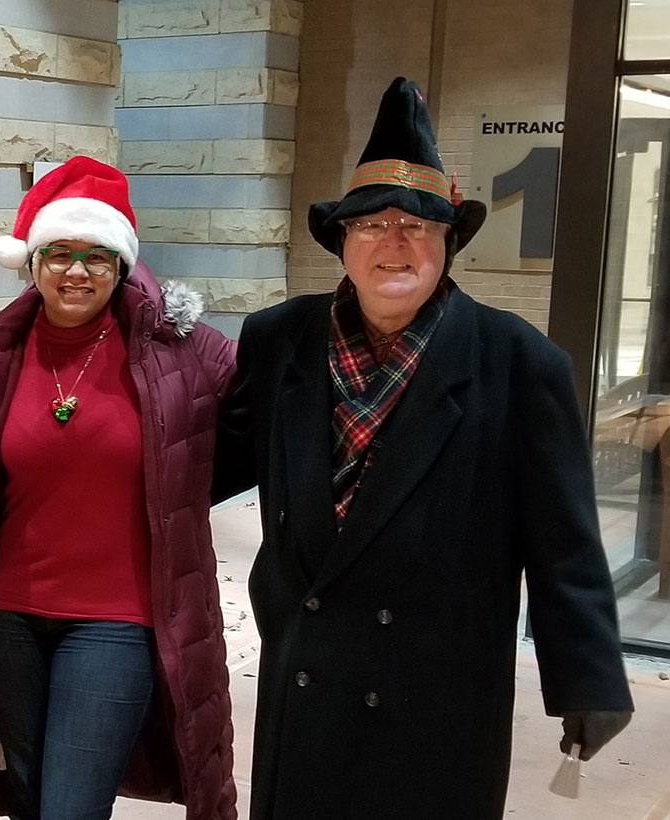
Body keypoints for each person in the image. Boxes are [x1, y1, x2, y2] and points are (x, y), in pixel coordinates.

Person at [213, 77, 634, 820]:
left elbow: (563, 538)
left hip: (440, 680)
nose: (394, 242)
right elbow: (209, 463)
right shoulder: (280, 339)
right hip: (308, 664)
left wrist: (588, 674)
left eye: (417, 225)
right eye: (371, 224)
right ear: (341, 241)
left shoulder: (518, 362)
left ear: (448, 242)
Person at [0, 156, 239, 820]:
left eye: (97, 256)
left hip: (117, 621)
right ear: (34, 260)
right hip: (4, 614)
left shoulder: (187, 356)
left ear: (123, 266)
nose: (78, 271)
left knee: (70, 807)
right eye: (62, 253)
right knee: (28, 793)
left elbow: (261, 428)